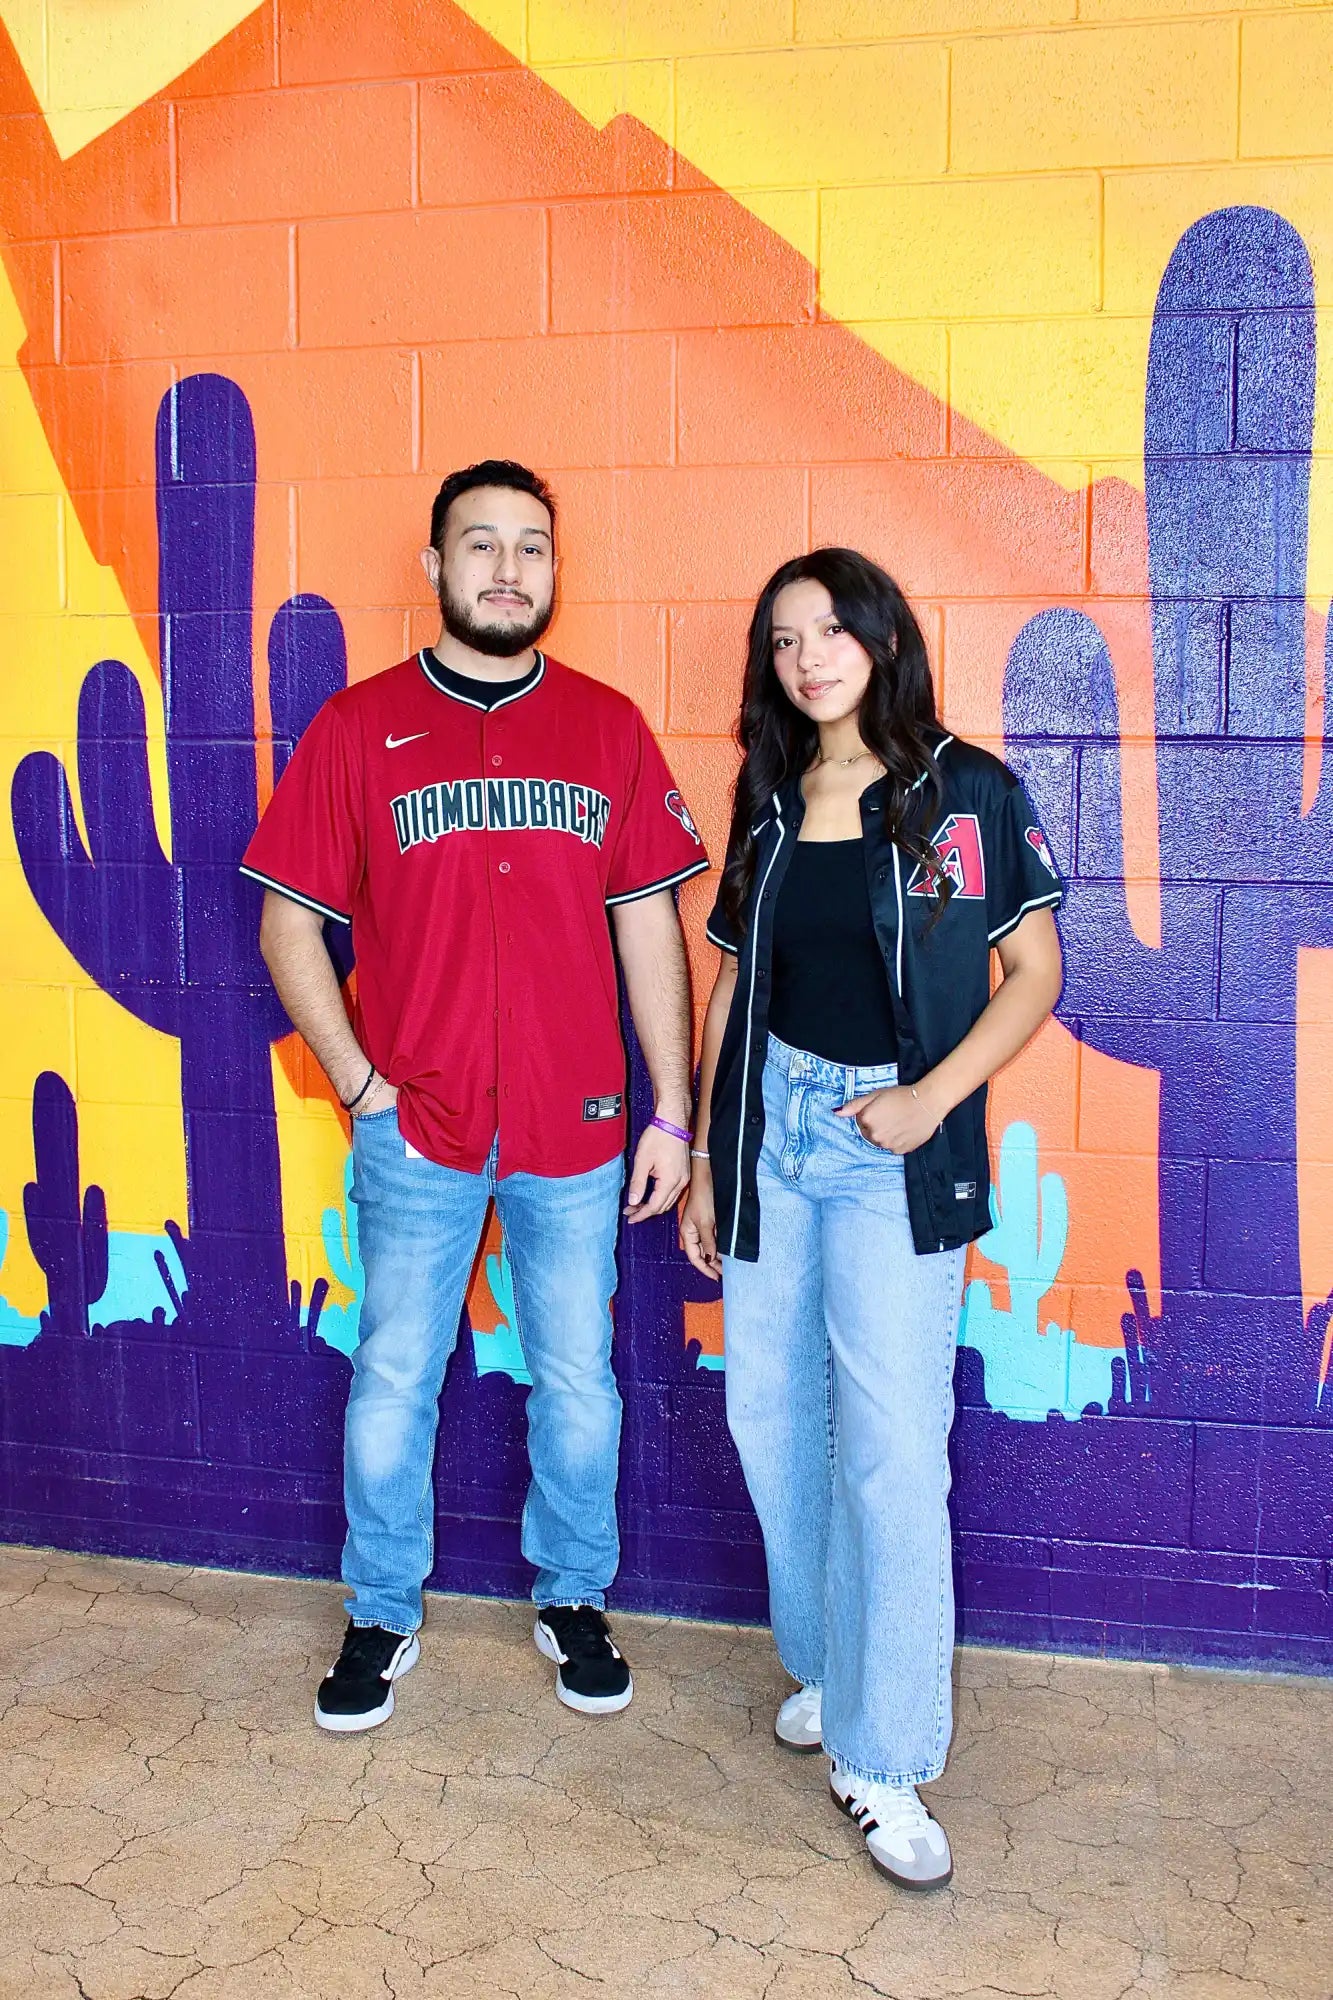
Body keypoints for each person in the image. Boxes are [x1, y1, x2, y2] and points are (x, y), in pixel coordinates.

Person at [243, 459, 708, 1732]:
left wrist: (674, 1111)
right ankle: (382, 1606)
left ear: (555, 570)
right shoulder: (357, 726)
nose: (509, 568)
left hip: (576, 1126)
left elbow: (651, 929)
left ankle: (573, 1595)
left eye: (533, 547)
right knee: (395, 1371)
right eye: (482, 544)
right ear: (436, 566)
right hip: (420, 1126)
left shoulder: (607, 729)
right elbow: (289, 921)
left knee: (579, 1379)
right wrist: (361, 1082)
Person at [681, 548, 1063, 1890]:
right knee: (769, 1413)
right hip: (773, 1132)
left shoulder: (965, 792)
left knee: (892, 1449)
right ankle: (835, 1670)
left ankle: (884, 1753)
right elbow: (731, 982)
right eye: (784, 639)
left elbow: (1034, 972)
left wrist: (927, 1099)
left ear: (880, 638)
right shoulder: (771, 797)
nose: (809, 657)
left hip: (889, 1148)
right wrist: (713, 1159)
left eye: (832, 630)